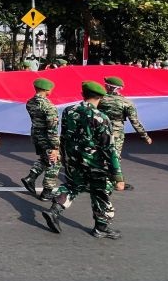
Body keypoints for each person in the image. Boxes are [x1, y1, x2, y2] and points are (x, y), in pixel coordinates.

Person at [42, 81, 124, 239]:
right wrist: (117, 176)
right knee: (101, 192)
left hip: (73, 158)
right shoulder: (101, 117)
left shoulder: (68, 111)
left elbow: (64, 135)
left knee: (73, 185)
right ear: (101, 97)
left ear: (82, 95)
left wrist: (62, 155)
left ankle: (54, 211)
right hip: (95, 162)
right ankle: (101, 228)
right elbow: (109, 148)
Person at [97, 76, 152, 190]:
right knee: (114, 156)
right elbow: (135, 122)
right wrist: (145, 136)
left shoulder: (99, 99)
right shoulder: (126, 103)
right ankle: (114, 182)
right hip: (116, 134)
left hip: (99, 131)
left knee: (99, 155)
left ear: (107, 87)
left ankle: (98, 180)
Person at [20, 78, 60, 201]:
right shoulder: (48, 106)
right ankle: (47, 192)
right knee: (54, 162)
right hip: (47, 138)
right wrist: (55, 147)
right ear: (47, 90)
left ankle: (30, 177)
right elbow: (52, 128)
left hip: (36, 135)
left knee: (44, 159)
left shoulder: (30, 102)